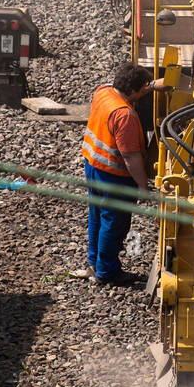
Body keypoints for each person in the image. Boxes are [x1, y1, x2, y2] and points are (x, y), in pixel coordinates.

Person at [80, 62, 165, 286]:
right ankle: (107, 272)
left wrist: (152, 86)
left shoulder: (103, 92)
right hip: (114, 174)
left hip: (94, 166)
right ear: (133, 91)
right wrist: (143, 187)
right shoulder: (124, 115)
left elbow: (127, 88)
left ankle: (94, 264)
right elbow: (131, 158)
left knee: (97, 215)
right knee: (114, 222)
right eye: (142, 89)